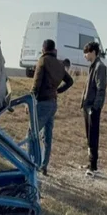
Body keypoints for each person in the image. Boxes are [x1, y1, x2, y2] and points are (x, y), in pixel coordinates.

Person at [30, 39, 74, 176]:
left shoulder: (42, 61)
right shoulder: (60, 65)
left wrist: (30, 101)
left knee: (32, 134)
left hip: (42, 103)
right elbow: (70, 81)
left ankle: (30, 164)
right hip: (53, 103)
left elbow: (36, 85)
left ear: (43, 49)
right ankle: (44, 165)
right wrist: (58, 91)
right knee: (47, 136)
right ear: (54, 49)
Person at [80, 41, 107, 177]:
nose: (85, 55)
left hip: (92, 107)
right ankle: (90, 162)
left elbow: (101, 88)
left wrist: (95, 107)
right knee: (88, 135)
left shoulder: (100, 66)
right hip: (87, 106)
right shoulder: (93, 65)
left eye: (86, 52)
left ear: (93, 52)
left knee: (93, 135)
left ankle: (93, 165)